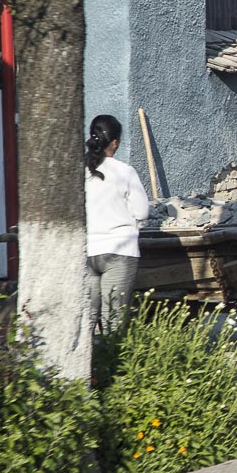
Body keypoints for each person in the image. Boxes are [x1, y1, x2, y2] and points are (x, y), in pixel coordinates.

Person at [85, 114, 150, 333]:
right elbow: (142, 212)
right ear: (115, 143)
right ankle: (111, 354)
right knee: (113, 319)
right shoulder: (125, 171)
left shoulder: (78, 171)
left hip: (86, 250)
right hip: (119, 250)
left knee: (85, 319)